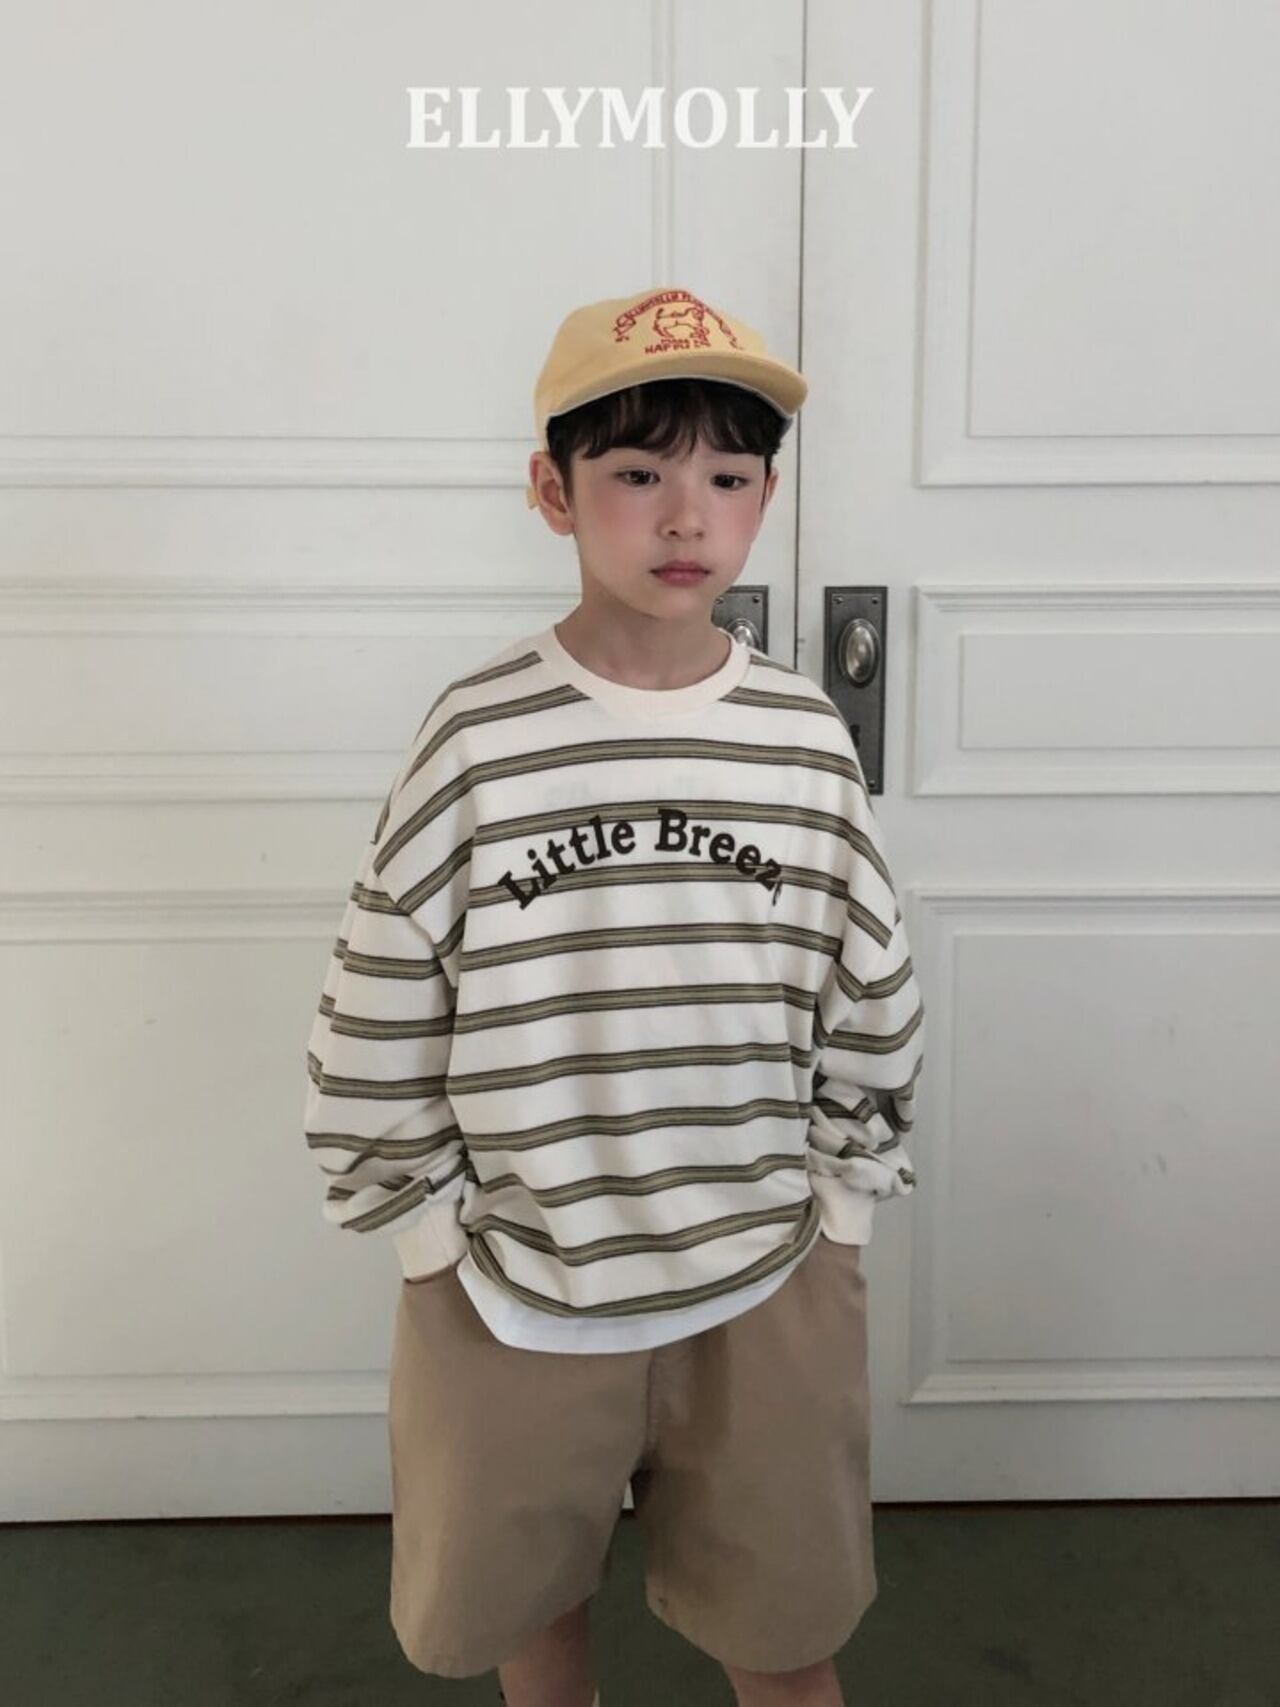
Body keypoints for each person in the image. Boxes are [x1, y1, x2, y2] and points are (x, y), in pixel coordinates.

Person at [302, 285, 926, 1706]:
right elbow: (381, 995)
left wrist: (844, 1208)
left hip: (765, 1268)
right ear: (554, 491)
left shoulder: (799, 735)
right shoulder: (478, 738)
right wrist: (421, 1237)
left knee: (787, 1631)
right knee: (531, 1615)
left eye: (729, 478)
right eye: (639, 474)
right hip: (515, 1282)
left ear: (767, 497)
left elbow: (871, 982)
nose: (687, 517)